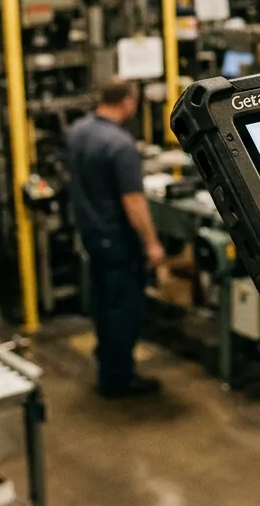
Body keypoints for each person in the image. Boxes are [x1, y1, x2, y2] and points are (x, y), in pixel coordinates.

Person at [66, 80, 165, 398]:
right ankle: (119, 377)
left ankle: (107, 360)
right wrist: (151, 242)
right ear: (127, 101)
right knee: (124, 307)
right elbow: (134, 201)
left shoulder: (78, 132)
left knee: (103, 302)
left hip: (92, 234)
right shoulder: (120, 145)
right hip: (118, 239)